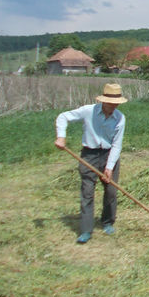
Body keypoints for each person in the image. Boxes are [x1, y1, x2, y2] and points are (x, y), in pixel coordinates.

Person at [54, 83, 127, 243]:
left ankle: (107, 222)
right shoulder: (88, 111)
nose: (113, 106)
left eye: (116, 104)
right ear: (103, 101)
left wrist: (109, 167)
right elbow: (63, 117)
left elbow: (117, 144)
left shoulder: (120, 118)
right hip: (89, 155)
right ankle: (86, 230)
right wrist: (61, 136)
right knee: (87, 192)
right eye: (111, 103)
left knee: (111, 191)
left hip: (109, 154)